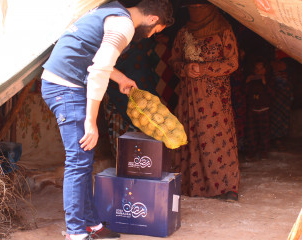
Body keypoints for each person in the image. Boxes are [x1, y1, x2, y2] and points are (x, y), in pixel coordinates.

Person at [40, 1, 174, 240]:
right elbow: (99, 70)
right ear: (152, 19)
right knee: (78, 161)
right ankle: (75, 232)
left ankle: (91, 224)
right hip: (65, 87)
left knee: (84, 160)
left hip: (63, 83)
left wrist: (121, 77)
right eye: (156, 31)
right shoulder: (123, 26)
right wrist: (91, 121)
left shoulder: (111, 10)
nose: (152, 35)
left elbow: (93, 55)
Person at [169, 1, 240, 201]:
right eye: (193, 6)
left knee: (217, 138)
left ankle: (227, 187)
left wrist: (205, 69)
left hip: (215, 98)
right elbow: (173, 60)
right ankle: (192, 185)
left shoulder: (223, 29)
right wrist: (185, 69)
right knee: (190, 135)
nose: (197, 9)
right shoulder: (183, 32)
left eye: (201, 5)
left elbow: (232, 62)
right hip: (188, 96)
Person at [244, 57, 271, 159]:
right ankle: (251, 152)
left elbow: (272, 94)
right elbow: (244, 92)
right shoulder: (252, 80)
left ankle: (264, 152)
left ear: (265, 70)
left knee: (264, 134)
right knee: (251, 133)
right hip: (252, 110)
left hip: (264, 110)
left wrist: (264, 83)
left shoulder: (268, 80)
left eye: (260, 69)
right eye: (256, 69)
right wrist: (247, 81)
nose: (258, 72)